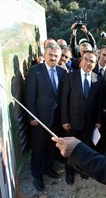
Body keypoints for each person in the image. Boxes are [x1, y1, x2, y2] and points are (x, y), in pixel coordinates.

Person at [25, 42, 67, 191]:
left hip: (56, 118)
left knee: (51, 146)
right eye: (50, 55)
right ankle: (37, 175)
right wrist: (32, 117)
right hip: (40, 119)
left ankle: (48, 168)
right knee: (38, 147)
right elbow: (30, 96)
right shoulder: (35, 71)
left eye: (56, 56)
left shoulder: (62, 72)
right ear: (45, 54)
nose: (53, 58)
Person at [61, 50, 103, 185]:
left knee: (85, 147)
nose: (88, 63)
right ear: (81, 60)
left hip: (89, 122)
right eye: (86, 59)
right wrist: (65, 120)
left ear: (95, 63)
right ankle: (69, 171)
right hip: (72, 122)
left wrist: (98, 120)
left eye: (92, 61)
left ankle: (82, 170)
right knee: (69, 148)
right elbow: (64, 100)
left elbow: (98, 102)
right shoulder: (70, 77)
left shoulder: (97, 79)